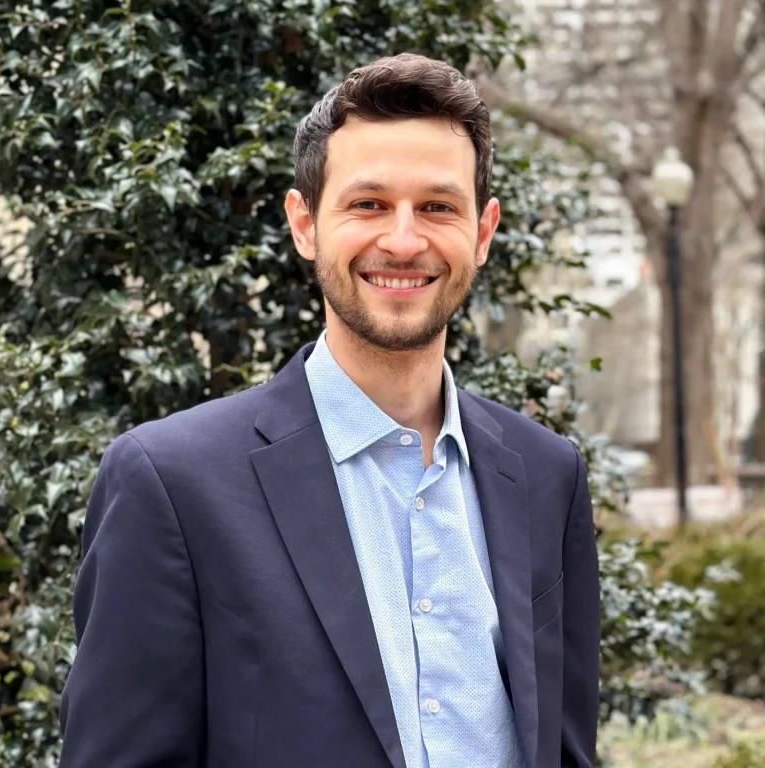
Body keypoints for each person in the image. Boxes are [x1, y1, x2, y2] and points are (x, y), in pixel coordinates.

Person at [59, 53, 600, 768]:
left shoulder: (545, 473)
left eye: (437, 207)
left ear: (483, 231)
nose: (403, 240)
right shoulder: (173, 483)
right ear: (305, 224)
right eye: (368, 204)